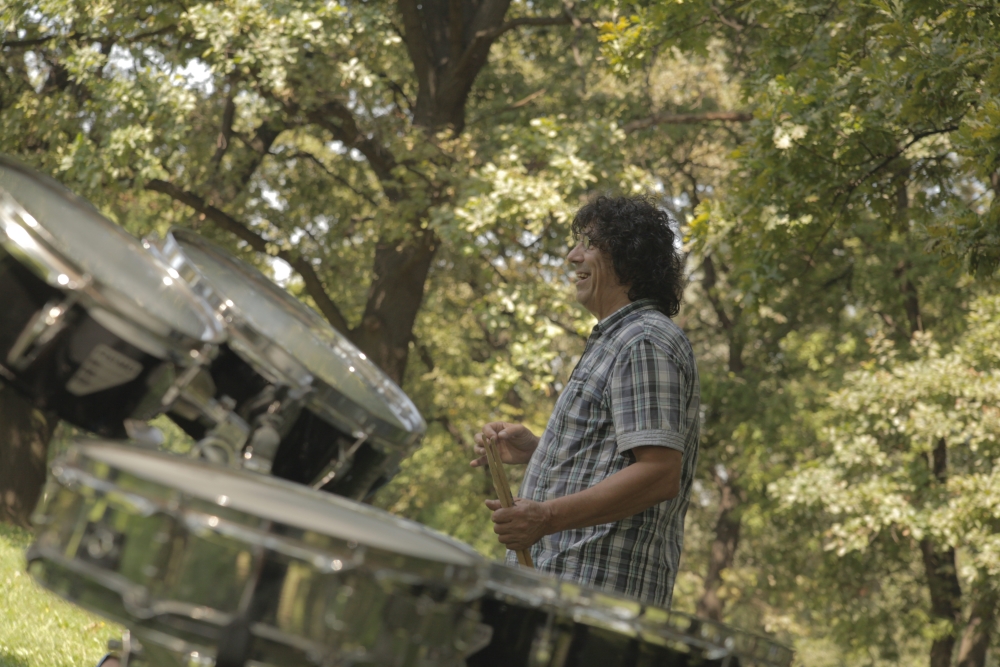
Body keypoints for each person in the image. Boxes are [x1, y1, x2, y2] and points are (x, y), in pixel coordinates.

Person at [471, 194, 699, 608]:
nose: (573, 256)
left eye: (589, 244)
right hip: (563, 593)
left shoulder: (643, 340)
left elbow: (659, 473)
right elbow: (617, 461)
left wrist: (545, 517)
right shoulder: (619, 340)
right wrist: (539, 451)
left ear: (628, 258)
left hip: (591, 602)